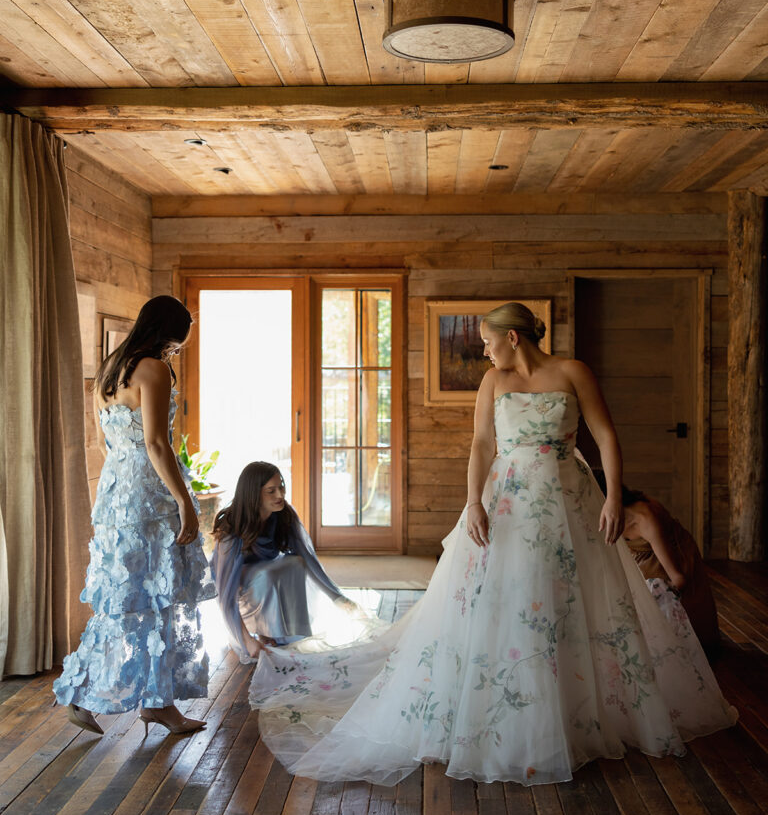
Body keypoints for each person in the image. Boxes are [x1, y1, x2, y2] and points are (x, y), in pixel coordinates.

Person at [248, 302, 736, 786]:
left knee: (569, 599)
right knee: (510, 599)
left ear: (513, 338)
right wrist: (473, 503)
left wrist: (611, 498)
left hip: (569, 502)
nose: (485, 351)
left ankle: (577, 713)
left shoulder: (573, 372)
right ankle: (508, 712)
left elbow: (605, 435)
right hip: (508, 503)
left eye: (487, 341)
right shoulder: (492, 382)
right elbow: (482, 444)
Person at [53, 296, 215, 737]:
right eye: (177, 343)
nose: (176, 351)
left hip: (115, 495)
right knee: (160, 597)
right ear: (169, 333)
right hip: (150, 496)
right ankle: (141, 702)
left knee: (124, 598)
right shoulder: (153, 369)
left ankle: (148, 702)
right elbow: (157, 444)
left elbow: (104, 443)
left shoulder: (109, 370)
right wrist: (184, 502)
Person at [211, 462, 379, 660]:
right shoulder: (232, 527)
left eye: (281, 487)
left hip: (263, 584)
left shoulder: (284, 515)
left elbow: (309, 559)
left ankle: (290, 632)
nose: (280, 495)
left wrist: (338, 598)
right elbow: (225, 595)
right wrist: (247, 640)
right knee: (267, 575)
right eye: (271, 491)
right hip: (239, 594)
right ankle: (262, 630)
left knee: (296, 563)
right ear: (253, 494)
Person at [594, 473, 720, 659]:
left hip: (671, 559)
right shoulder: (606, 519)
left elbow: (678, 578)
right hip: (644, 560)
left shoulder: (643, 518)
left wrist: (649, 601)